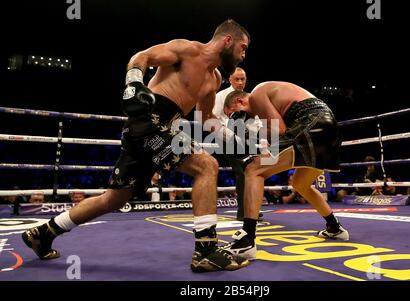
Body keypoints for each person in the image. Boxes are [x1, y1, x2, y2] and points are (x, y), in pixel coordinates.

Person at [22, 19, 251, 272]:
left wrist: (238, 140)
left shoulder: (215, 79)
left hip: (163, 128)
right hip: (147, 122)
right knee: (206, 166)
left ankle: (42, 233)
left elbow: (206, 119)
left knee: (114, 198)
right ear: (227, 40)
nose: (243, 55)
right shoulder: (187, 50)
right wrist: (134, 84)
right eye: (242, 47)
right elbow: (142, 57)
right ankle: (206, 251)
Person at [221, 81, 349, 260]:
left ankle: (247, 239)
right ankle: (334, 228)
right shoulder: (269, 99)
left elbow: (280, 131)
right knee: (300, 184)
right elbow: (277, 132)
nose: (235, 119)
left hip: (311, 121)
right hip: (329, 128)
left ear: (240, 101)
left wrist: (259, 155)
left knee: (253, 170)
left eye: (233, 113)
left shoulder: (257, 94)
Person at [213, 67, 248, 220]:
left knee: (252, 173)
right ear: (230, 80)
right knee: (241, 173)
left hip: (247, 140)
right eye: (237, 79)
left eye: (243, 79)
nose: (240, 82)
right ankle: (243, 212)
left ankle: (251, 209)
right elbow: (214, 119)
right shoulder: (221, 96)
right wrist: (231, 136)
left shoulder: (248, 97)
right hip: (226, 139)